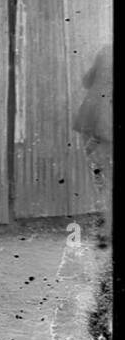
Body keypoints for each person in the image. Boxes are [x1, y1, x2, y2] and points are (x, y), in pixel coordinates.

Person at [72, 43, 112, 244]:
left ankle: (106, 226)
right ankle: (107, 229)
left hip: (93, 119)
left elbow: (87, 81)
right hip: (106, 122)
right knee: (106, 179)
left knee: (103, 179)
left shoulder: (106, 49)